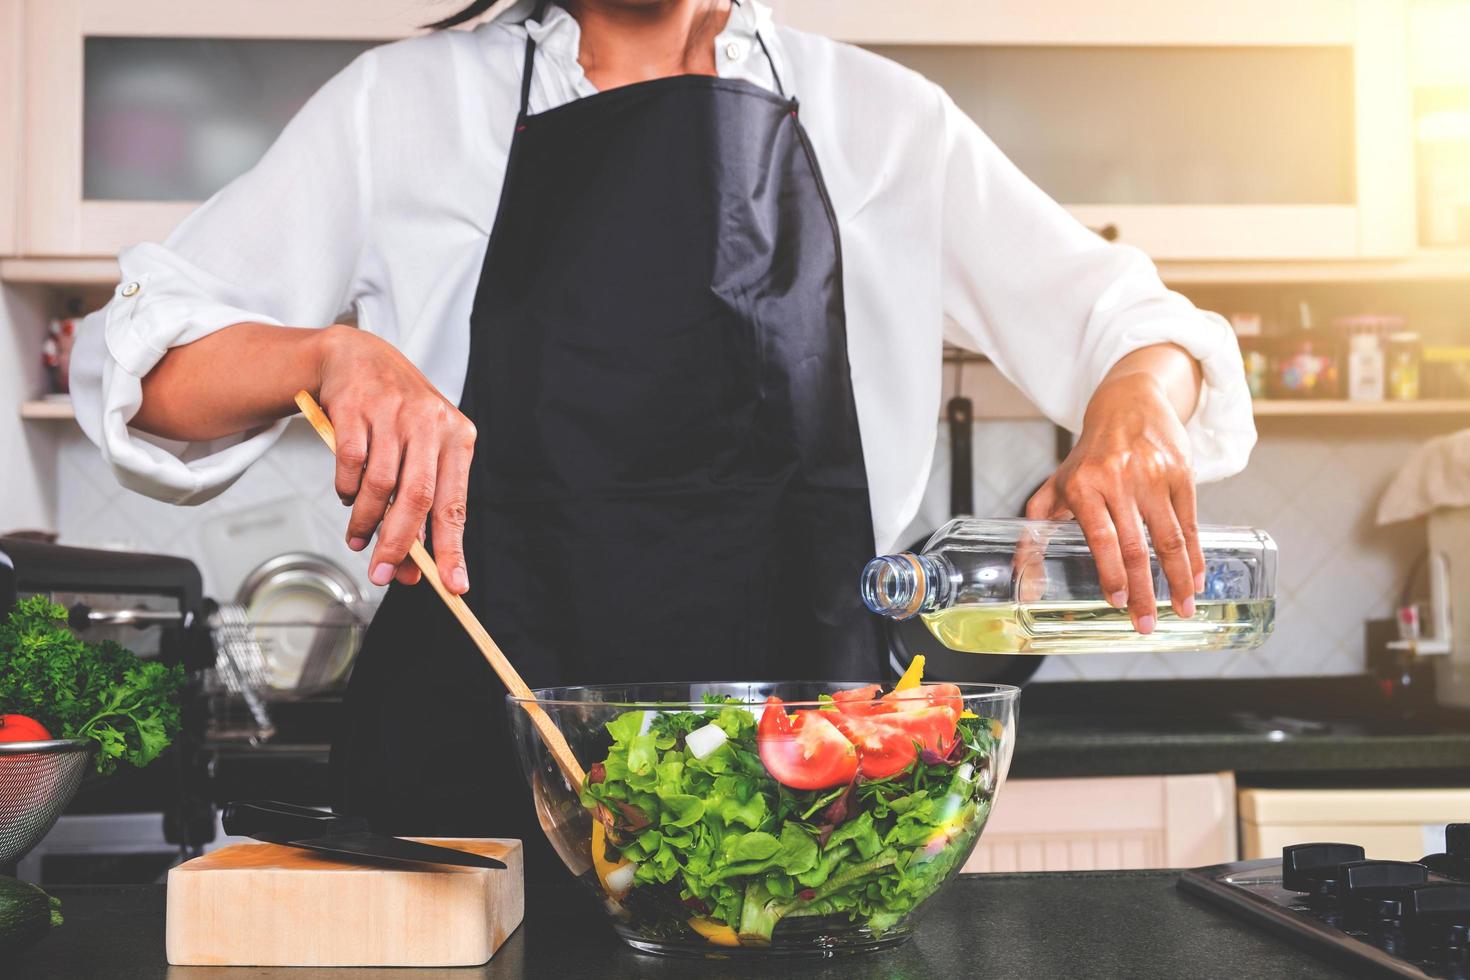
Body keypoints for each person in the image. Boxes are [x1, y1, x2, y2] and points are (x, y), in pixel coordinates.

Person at [70, 0, 1255, 907]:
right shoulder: (405, 108)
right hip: (466, 803)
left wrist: (1133, 411)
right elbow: (141, 361)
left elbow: (1141, 325)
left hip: (802, 811)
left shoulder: (883, 122)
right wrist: (320, 355)